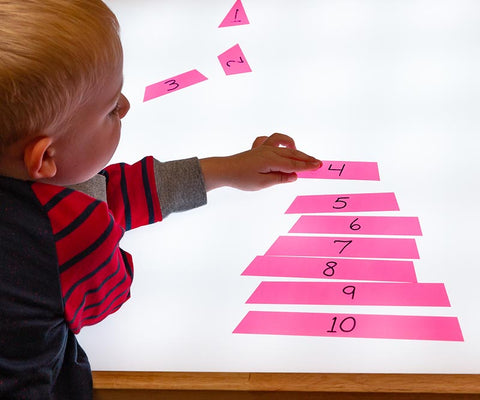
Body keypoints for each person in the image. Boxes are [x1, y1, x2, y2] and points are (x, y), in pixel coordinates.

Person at [0, 0, 322, 398]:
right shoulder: (69, 239)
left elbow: (108, 191)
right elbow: (111, 288)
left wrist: (223, 169)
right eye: (110, 110)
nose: (126, 107)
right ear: (45, 157)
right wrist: (91, 219)